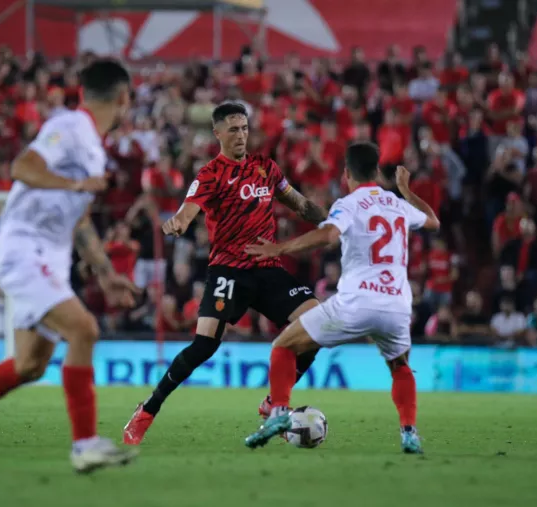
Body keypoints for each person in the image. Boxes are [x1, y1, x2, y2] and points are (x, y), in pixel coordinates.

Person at [0, 59, 140, 473]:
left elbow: (80, 220)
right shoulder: (69, 126)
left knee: (31, 364)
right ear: (123, 98)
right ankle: (84, 445)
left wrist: (105, 272)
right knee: (84, 329)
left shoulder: (93, 148)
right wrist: (74, 184)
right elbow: (23, 167)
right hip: (23, 246)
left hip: (51, 254)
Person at [123, 102, 328, 445]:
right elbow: (190, 209)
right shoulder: (210, 174)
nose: (241, 135)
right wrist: (179, 221)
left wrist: (333, 221)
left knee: (317, 323)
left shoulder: (266, 168)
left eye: (245, 128)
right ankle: (147, 410)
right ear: (217, 133)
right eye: (233, 130)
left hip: (266, 267)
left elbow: (300, 204)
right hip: (228, 271)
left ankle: (272, 403)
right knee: (204, 346)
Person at [242, 144, 440, 454]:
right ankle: (409, 434)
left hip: (356, 302)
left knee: (283, 345)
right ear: (376, 172)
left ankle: (278, 413)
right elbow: (433, 221)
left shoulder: (348, 203)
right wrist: (405, 190)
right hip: (397, 304)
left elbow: (328, 235)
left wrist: (278, 249)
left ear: (346, 173)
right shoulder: (397, 203)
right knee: (400, 366)